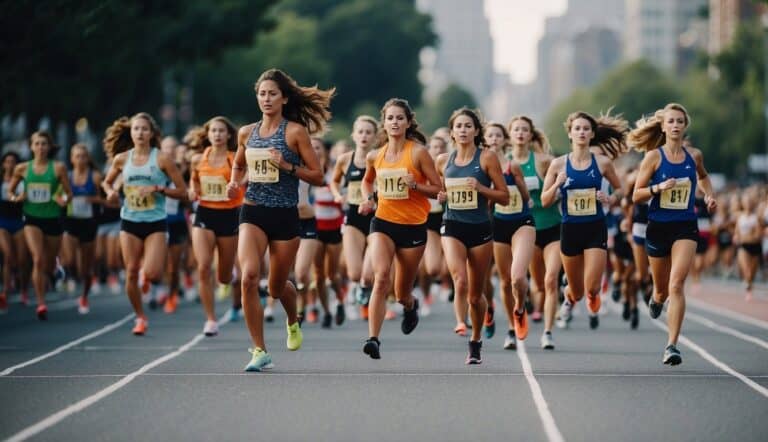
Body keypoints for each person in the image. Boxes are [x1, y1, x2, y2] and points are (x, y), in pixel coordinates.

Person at [227, 69, 331, 372]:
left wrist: (285, 165)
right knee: (248, 276)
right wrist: (236, 183)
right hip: (253, 210)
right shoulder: (246, 132)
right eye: (262, 93)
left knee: (275, 287)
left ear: (284, 98)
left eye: (273, 93)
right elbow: (238, 165)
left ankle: (292, 319)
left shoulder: (295, 132)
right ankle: (259, 350)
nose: (267, 99)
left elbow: (318, 177)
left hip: (286, 214)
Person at [630, 103, 717, 365]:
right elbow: (636, 194)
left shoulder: (695, 156)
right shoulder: (653, 158)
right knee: (661, 290)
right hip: (657, 226)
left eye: (680, 121)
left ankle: (671, 346)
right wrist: (658, 187)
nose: (676, 125)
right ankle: (656, 299)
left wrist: (709, 194)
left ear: (685, 126)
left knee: (676, 284)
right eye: (671, 121)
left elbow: (703, 177)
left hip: (685, 226)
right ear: (664, 126)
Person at [358, 98, 441, 360]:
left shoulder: (417, 153)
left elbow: (439, 190)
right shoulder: (375, 155)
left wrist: (415, 186)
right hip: (382, 222)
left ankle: (411, 304)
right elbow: (367, 182)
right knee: (381, 277)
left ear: (408, 122)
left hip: (413, 227)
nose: (394, 122)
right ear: (384, 122)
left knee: (401, 291)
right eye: (390, 118)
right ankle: (373, 339)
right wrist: (368, 199)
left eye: (399, 118)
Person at [102, 112, 187, 335]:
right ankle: (140, 317)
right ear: (131, 132)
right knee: (130, 271)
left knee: (153, 273)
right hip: (129, 220)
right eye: (136, 129)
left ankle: (146, 278)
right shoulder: (122, 159)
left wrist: (158, 189)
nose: (140, 133)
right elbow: (107, 182)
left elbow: (182, 191)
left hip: (155, 222)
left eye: (144, 129)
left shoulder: (162, 159)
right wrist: (111, 192)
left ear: (152, 134)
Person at [541, 111, 626, 331]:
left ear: (592, 134)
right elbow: (544, 201)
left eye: (586, 129)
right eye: (577, 128)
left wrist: (610, 198)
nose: (581, 132)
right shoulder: (558, 165)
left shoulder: (603, 163)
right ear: (570, 134)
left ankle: (591, 294)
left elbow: (620, 190)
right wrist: (556, 184)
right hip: (570, 229)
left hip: (595, 228)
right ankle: (569, 298)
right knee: (577, 292)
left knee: (593, 288)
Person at [436, 108, 509, 364]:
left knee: (476, 296)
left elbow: (504, 196)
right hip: (452, 225)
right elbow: (438, 191)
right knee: (460, 278)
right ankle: (460, 321)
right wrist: (440, 196)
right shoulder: (443, 160)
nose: (463, 130)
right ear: (452, 131)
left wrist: (480, 188)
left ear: (476, 131)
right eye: (459, 126)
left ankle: (476, 340)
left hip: (480, 227)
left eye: (468, 126)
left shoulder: (487, 158)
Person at [506, 116, 561, 349]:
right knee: (533, 282)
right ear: (510, 134)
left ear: (530, 135)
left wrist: (558, 191)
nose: (520, 133)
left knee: (550, 281)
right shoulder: (501, 162)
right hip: (521, 229)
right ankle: (520, 316)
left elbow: (562, 179)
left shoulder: (543, 161)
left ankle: (548, 331)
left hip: (551, 226)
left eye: (524, 130)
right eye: (516, 129)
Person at [7, 131, 72, 320]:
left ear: (49, 147)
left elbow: (69, 194)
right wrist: (16, 198)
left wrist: (63, 200)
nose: (41, 147)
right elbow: (10, 191)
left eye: (44, 144)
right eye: (37, 144)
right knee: (37, 259)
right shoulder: (22, 169)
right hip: (31, 218)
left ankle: (54, 269)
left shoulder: (58, 168)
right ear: (31, 147)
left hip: (52, 219)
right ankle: (41, 303)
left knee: (48, 263)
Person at [188, 116, 244, 336]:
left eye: (221, 131)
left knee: (223, 277)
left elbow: (246, 175)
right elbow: (193, 180)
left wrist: (237, 184)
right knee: (203, 267)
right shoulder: (197, 159)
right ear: (208, 134)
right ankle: (211, 319)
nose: (217, 134)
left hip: (229, 215)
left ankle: (226, 277)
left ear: (229, 134)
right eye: (213, 131)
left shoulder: (233, 159)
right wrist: (192, 191)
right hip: (204, 214)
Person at [484, 121, 536, 349]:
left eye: (498, 135)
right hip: (498, 224)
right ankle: (511, 328)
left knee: (517, 276)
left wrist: (520, 188)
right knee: (505, 282)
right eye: (490, 136)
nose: (494, 139)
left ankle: (521, 307)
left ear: (505, 140)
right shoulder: (481, 168)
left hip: (521, 221)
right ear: (485, 140)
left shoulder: (512, 166)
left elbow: (525, 196)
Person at [329, 116, 378, 320]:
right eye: (360, 132)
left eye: (368, 132)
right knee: (354, 273)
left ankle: (368, 291)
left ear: (375, 137)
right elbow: (334, 181)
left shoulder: (379, 158)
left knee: (368, 274)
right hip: (353, 216)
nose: (364, 136)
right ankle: (358, 289)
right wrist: (338, 194)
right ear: (354, 135)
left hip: (377, 218)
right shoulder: (344, 159)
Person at [62, 143, 102, 314]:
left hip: (89, 223)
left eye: (83, 156)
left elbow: (106, 200)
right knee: (70, 260)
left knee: (86, 268)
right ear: (71, 159)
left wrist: (92, 200)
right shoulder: (66, 176)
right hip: (71, 221)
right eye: (77, 156)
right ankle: (68, 276)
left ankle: (84, 296)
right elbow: (57, 196)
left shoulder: (95, 177)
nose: (80, 159)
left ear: (88, 159)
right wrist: (62, 201)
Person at [0, 152, 29, 311]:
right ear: (3, 164)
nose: (10, 164)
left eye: (13, 162)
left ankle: (23, 289)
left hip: (19, 221)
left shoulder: (22, 180)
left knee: (22, 259)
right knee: (8, 256)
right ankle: (5, 292)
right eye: (7, 161)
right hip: (2, 222)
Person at [734, 190, 762, 301]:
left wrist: (746, 237)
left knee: (752, 273)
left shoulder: (756, 217)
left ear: (753, 203)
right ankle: (748, 290)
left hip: (755, 247)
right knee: (747, 271)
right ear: (743, 203)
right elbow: (737, 234)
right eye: (746, 201)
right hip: (743, 247)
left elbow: (757, 236)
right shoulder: (740, 217)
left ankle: (749, 285)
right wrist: (740, 237)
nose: (748, 203)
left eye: (750, 201)